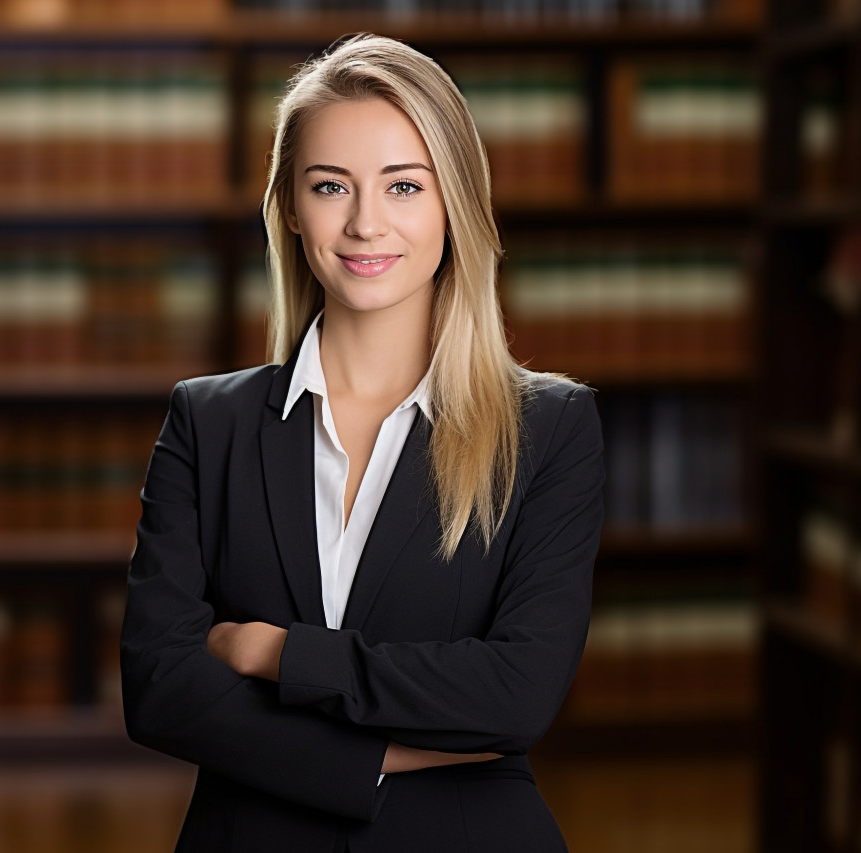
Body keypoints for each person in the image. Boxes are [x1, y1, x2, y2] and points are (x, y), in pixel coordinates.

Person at [120, 32, 605, 853]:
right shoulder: (209, 422)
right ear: (290, 210)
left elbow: (518, 693)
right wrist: (376, 756)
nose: (365, 223)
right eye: (331, 185)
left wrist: (276, 652)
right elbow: (161, 686)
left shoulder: (549, 429)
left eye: (404, 185)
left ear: (455, 204)